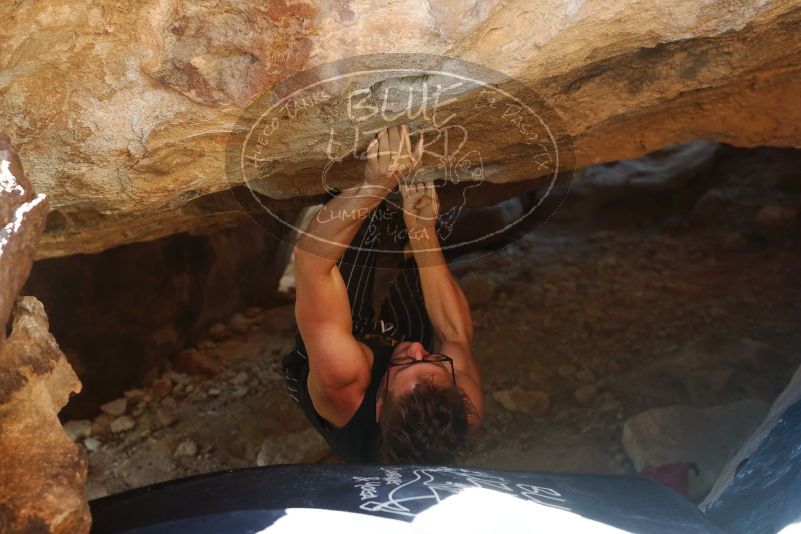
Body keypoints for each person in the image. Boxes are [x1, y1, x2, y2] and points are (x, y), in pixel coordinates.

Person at [282, 124, 483, 464]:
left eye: (406, 363)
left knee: (350, 236)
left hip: (338, 358)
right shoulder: (462, 409)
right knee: (421, 269)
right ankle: (399, 227)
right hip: (385, 369)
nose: (418, 350)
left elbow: (312, 262)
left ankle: (358, 199)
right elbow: (454, 333)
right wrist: (421, 230)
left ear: (379, 405)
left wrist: (375, 184)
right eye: (434, 361)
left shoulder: (343, 385)